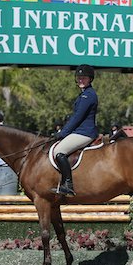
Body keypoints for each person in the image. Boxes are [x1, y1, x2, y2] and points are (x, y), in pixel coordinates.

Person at [52, 64, 99, 197]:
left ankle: (68, 184)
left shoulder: (88, 95)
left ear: (90, 79)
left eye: (83, 78)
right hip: (80, 131)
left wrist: (63, 133)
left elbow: (77, 118)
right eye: (78, 78)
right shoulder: (83, 94)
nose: (80, 80)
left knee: (59, 151)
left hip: (85, 132)